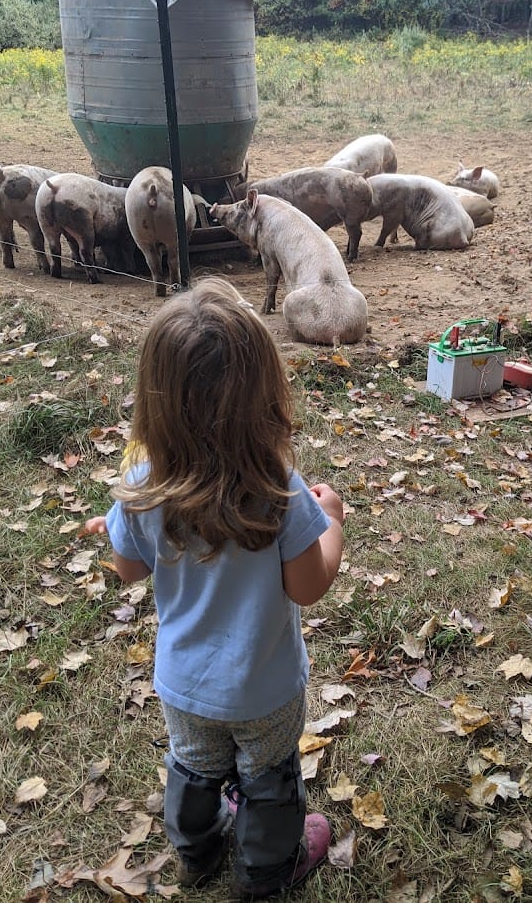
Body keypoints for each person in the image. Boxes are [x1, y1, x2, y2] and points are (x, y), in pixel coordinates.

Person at [84, 277, 345, 898]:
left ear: (156, 399)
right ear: (264, 394)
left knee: (194, 768)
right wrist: (332, 519)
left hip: (184, 684)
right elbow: (309, 586)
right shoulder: (278, 487)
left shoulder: (143, 485)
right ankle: (264, 872)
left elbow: (128, 571)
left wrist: (115, 532)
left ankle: (197, 848)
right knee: (269, 779)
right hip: (265, 687)